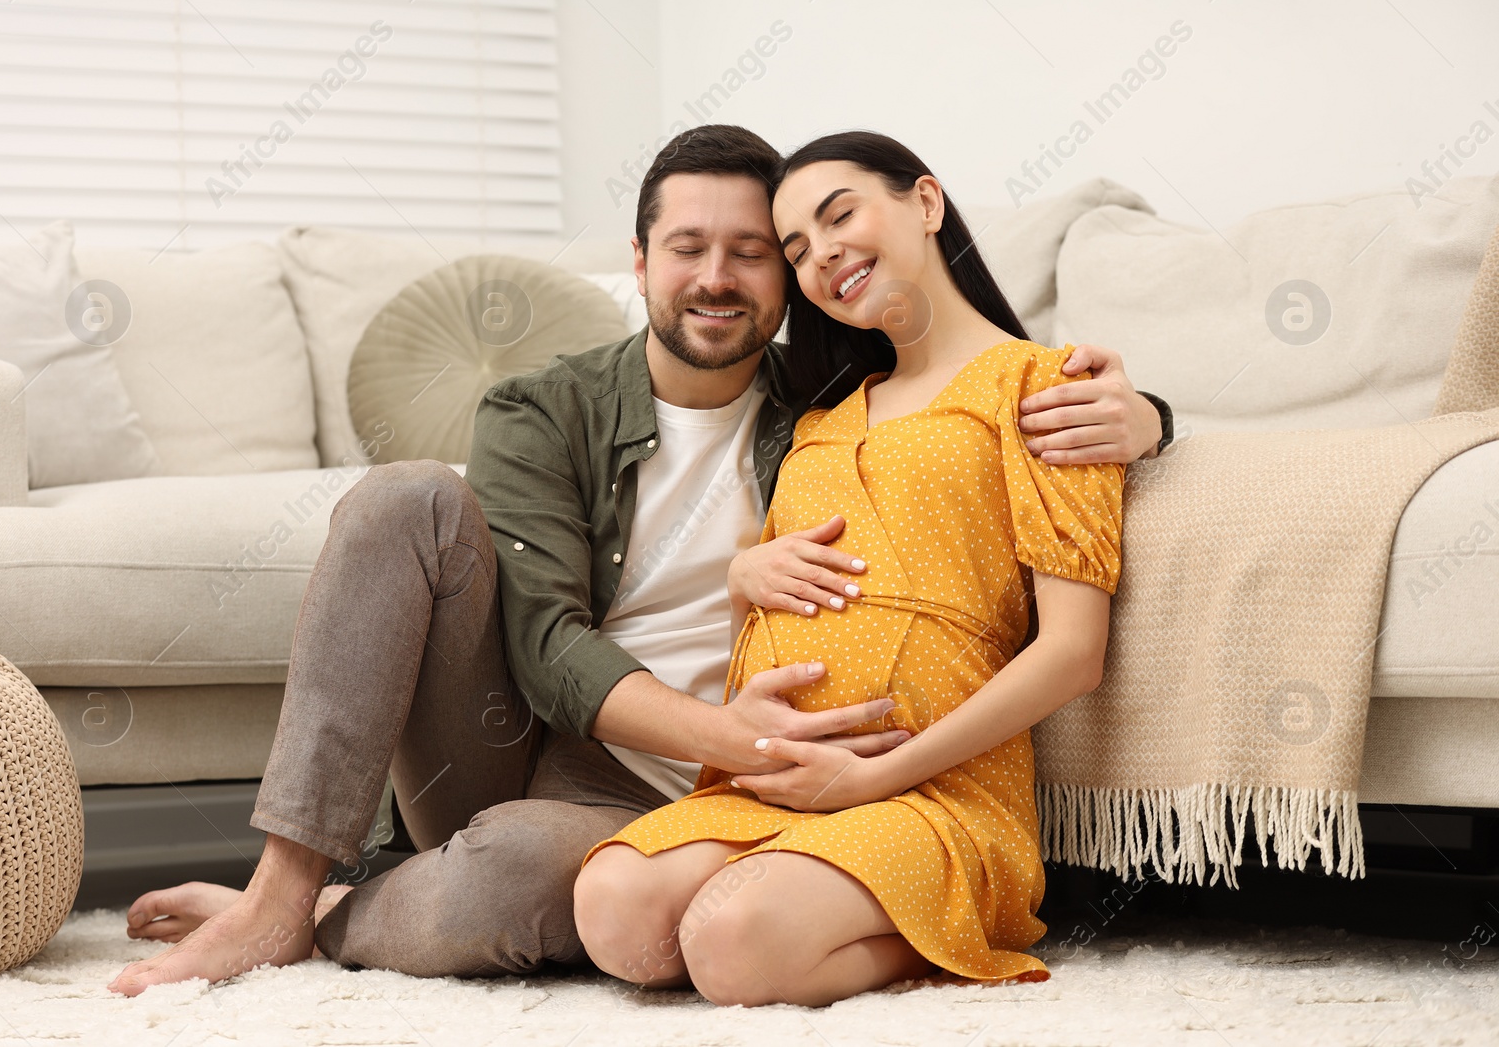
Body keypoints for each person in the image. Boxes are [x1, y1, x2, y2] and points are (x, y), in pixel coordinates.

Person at [108, 125, 1167, 995]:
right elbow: (544, 644)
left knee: (529, 878)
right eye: (687, 247)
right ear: (638, 261)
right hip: (551, 740)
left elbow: (979, 401)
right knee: (407, 496)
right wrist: (735, 732)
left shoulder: (826, 395)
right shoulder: (544, 407)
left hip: (698, 802)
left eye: (758, 251)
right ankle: (280, 893)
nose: (718, 276)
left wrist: (1146, 415)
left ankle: (344, 912)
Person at [573, 130, 1126, 1007]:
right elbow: (761, 628)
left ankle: (951, 928)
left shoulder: (1045, 388)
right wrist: (740, 581)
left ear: (926, 201)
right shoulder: (820, 414)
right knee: (613, 912)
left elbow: (1073, 653)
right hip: (776, 784)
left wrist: (870, 777)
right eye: (796, 250)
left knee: (731, 942)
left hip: (934, 794)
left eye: (840, 216)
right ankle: (809, 899)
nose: (823, 254)